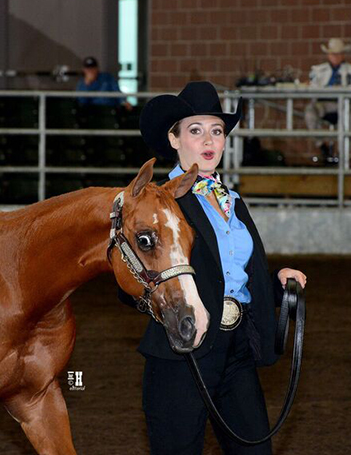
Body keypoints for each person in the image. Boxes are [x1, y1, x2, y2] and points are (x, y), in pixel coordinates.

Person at [118, 81, 307, 455]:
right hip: (183, 352)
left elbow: (228, 273)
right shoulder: (156, 205)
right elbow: (130, 280)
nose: (208, 141)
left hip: (236, 348)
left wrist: (274, 280)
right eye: (195, 130)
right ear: (174, 140)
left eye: (216, 131)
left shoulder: (232, 201)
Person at [305, 38, 351, 163]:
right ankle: (322, 146)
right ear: (328, 55)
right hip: (324, 104)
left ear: (343, 54)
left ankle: (342, 153)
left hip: (344, 104)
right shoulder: (319, 69)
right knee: (310, 111)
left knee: (350, 116)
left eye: (338, 53)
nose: (335, 57)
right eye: (333, 54)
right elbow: (312, 87)